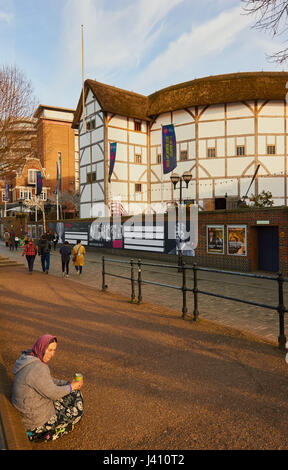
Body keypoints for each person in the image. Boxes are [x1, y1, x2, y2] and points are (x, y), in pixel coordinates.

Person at [11, 334, 84, 442]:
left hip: (27, 409)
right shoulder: (38, 368)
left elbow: (47, 380)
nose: (52, 354)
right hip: (34, 420)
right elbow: (53, 394)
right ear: (42, 347)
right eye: (49, 350)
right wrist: (71, 387)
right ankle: (48, 432)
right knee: (78, 408)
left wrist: (66, 383)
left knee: (70, 394)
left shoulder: (29, 358)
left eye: (54, 350)